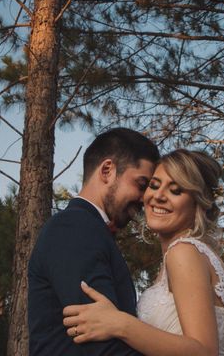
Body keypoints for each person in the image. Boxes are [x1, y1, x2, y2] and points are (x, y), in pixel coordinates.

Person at [62, 149, 224, 356]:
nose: (158, 196)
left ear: (197, 202)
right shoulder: (198, 254)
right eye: (153, 186)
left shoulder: (184, 252)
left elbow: (204, 352)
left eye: (176, 190)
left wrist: (120, 323)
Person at [27, 127, 159, 355]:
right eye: (141, 184)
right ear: (107, 170)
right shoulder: (74, 228)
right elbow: (102, 346)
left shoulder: (87, 229)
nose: (145, 199)